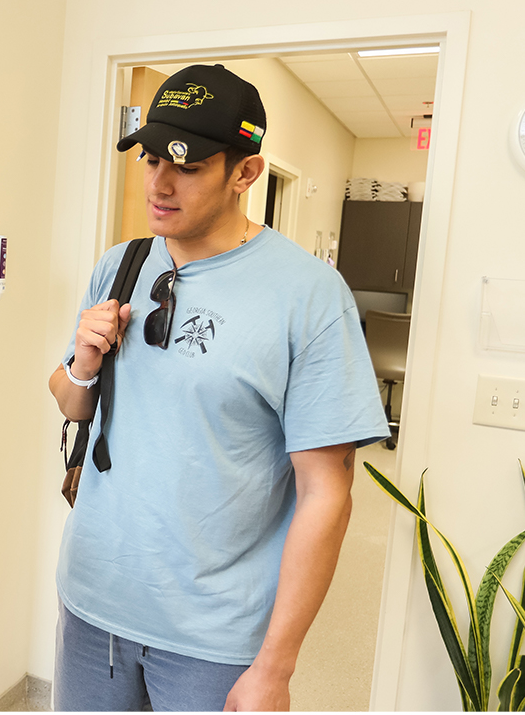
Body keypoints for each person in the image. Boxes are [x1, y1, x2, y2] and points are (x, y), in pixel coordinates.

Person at [48, 64, 389, 711]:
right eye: (150, 160)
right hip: (93, 606)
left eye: (188, 165)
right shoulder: (120, 265)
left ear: (246, 173)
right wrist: (83, 364)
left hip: (215, 637)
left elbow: (327, 495)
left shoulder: (309, 297)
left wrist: (276, 667)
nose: (159, 184)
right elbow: (71, 403)